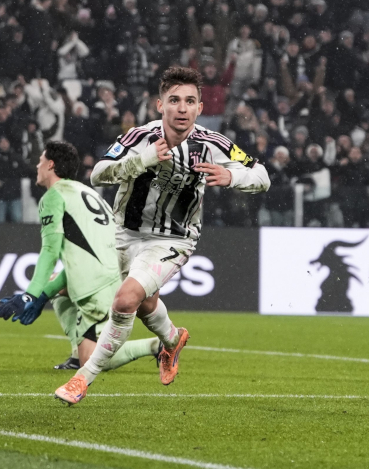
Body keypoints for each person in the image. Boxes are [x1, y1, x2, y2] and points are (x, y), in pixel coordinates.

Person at [55, 66, 270, 404]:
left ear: (200, 108)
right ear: (160, 105)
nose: (182, 108)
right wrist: (143, 159)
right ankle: (172, 340)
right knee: (145, 305)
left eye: (189, 101)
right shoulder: (139, 137)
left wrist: (233, 179)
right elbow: (98, 173)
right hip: (125, 234)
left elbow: (261, 175)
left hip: (175, 238)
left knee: (126, 299)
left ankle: (83, 379)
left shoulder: (213, 144)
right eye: (174, 100)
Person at [0, 141, 158, 374]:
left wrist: (31, 295)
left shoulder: (53, 196)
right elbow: (83, 260)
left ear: (51, 165)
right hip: (119, 275)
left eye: (40, 161)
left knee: (92, 360)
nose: (37, 166)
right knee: (54, 286)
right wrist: (42, 296)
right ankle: (75, 353)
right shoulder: (87, 192)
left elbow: (50, 251)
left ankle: (156, 345)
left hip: (99, 286)